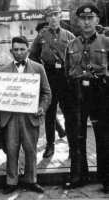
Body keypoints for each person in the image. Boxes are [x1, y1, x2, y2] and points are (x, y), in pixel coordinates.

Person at [0, 36, 52, 194]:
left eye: (22, 49)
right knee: (11, 150)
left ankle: (31, 180)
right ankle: (11, 181)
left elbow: (47, 93)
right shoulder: (4, 70)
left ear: (28, 50)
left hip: (30, 117)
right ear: (11, 51)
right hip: (10, 117)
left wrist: (42, 107)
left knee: (30, 149)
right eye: (16, 50)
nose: (19, 53)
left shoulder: (38, 68)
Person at [64, 5, 109, 193]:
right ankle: (78, 176)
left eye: (91, 18)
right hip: (77, 92)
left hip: (101, 91)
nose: (87, 22)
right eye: (83, 19)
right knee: (77, 135)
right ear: (78, 22)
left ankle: (106, 178)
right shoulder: (71, 45)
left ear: (97, 20)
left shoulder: (106, 42)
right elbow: (67, 72)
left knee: (104, 135)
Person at [29, 5, 75, 158]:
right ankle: (50, 145)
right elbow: (33, 57)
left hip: (65, 77)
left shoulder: (69, 36)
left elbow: (76, 58)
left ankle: (72, 147)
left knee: (69, 113)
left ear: (60, 16)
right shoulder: (41, 37)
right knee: (49, 113)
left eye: (56, 14)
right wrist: (41, 70)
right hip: (48, 76)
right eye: (50, 15)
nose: (53, 18)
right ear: (47, 18)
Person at [35, 21, 66, 139]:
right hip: (45, 79)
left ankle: (62, 132)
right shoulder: (38, 44)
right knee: (49, 109)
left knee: (65, 110)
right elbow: (33, 59)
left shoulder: (62, 39)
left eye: (46, 30)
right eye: (42, 31)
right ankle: (52, 141)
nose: (44, 33)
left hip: (61, 78)